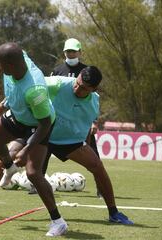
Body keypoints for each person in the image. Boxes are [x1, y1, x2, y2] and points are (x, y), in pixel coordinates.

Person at [0, 66, 133, 227]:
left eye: (83, 88)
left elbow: (85, 126)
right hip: (39, 132)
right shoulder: (58, 83)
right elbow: (26, 87)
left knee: (97, 166)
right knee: (5, 159)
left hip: (67, 140)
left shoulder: (94, 102)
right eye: (77, 83)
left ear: (93, 90)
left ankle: (114, 212)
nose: (77, 89)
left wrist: (85, 146)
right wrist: (4, 105)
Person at [0, 42, 68, 237]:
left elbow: (45, 123)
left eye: (0, 64)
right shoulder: (18, 60)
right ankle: (9, 166)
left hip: (39, 124)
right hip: (18, 115)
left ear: (11, 65)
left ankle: (58, 221)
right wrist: (5, 105)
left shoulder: (35, 90)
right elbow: (14, 84)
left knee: (33, 173)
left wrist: (26, 149)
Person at [50, 38, 101, 197]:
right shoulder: (57, 70)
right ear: (64, 52)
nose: (70, 54)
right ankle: (36, 185)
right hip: (58, 121)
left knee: (93, 154)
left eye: (73, 51)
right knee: (42, 149)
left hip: (80, 121)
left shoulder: (87, 71)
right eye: (68, 51)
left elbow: (93, 100)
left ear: (80, 52)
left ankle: (100, 187)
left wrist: (93, 121)